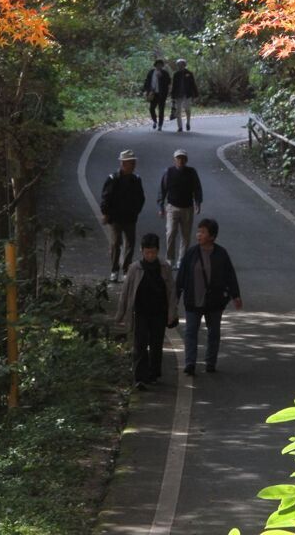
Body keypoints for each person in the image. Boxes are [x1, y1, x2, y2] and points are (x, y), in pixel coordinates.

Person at [176, 218, 242, 376]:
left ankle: (210, 362)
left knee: (214, 332)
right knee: (191, 332)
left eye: (203, 232)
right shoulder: (191, 254)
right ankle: (190, 362)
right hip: (193, 300)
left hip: (214, 301)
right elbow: (181, 277)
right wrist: (175, 297)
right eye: (198, 231)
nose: (198, 235)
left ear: (212, 236)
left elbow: (229, 275)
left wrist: (236, 295)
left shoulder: (221, 254)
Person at [115, 233, 179, 390]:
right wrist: (120, 314)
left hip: (158, 313)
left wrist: (172, 313)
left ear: (157, 251)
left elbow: (171, 292)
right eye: (147, 252)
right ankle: (139, 377)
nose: (150, 255)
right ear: (142, 251)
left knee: (156, 345)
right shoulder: (134, 268)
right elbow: (126, 292)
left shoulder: (164, 267)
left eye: (153, 252)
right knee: (140, 345)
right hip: (141, 312)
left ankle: (153, 374)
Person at [101, 149, 145, 282]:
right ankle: (114, 270)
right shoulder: (113, 179)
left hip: (130, 218)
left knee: (130, 243)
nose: (133, 165)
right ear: (123, 163)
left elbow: (140, 198)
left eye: (134, 162)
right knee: (116, 243)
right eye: (131, 163)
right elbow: (106, 198)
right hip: (115, 218)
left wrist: (135, 211)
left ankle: (126, 269)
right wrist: (106, 213)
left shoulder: (136, 180)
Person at [158, 149, 203, 268]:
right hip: (172, 207)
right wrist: (161, 206)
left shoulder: (191, 172)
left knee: (186, 235)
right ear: (174, 160)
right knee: (171, 232)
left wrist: (198, 203)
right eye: (178, 158)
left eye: (183, 158)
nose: (181, 160)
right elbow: (162, 189)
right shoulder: (169, 172)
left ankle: (182, 259)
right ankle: (170, 258)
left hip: (187, 207)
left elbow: (197, 188)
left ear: (186, 160)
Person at [142, 58, 171, 131]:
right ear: (155, 65)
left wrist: (161, 77)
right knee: (151, 108)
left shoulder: (165, 73)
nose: (159, 66)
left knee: (161, 110)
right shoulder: (151, 72)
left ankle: (160, 125)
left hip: (162, 94)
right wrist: (145, 90)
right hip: (153, 93)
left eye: (161, 65)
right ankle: (155, 121)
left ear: (162, 66)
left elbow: (168, 82)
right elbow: (147, 81)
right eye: (158, 65)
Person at [170, 58, 198, 132]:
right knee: (178, 111)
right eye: (179, 65)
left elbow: (193, 84)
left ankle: (188, 123)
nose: (180, 66)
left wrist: (196, 95)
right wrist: (172, 96)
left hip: (187, 94)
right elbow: (174, 86)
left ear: (184, 65)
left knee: (187, 110)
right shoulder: (176, 74)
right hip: (178, 95)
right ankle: (180, 127)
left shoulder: (189, 73)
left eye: (182, 64)